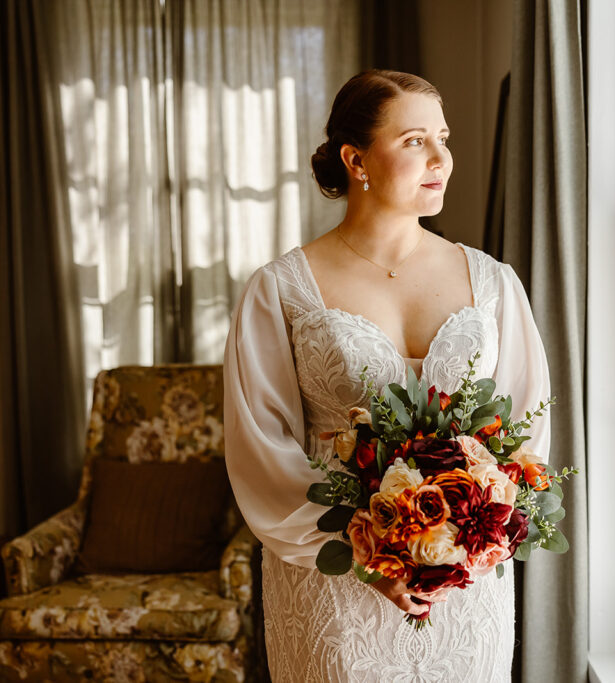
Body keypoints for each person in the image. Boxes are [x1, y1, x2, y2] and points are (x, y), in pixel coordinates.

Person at [223, 69, 551, 683]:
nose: (440, 159)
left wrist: (466, 546)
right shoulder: (281, 290)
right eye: (413, 140)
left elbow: (526, 434)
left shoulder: (493, 282)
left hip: (464, 588)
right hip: (334, 586)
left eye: (443, 138)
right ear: (356, 159)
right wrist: (371, 562)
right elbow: (260, 449)